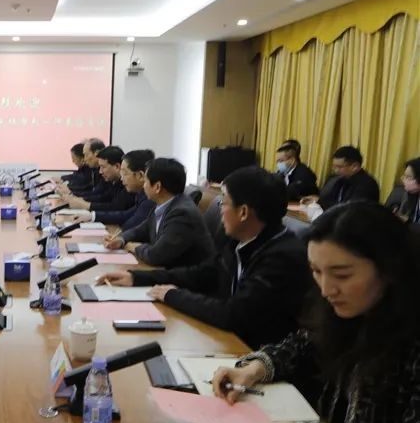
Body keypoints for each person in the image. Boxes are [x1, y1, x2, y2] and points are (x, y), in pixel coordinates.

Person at [212, 202, 420, 423]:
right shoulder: (355, 307)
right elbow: (304, 344)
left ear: (389, 269)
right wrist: (255, 368)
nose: (326, 289)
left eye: (342, 275)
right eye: (316, 271)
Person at [99, 167, 309, 349]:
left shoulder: (282, 256)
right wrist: (137, 278)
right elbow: (203, 274)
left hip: (256, 355)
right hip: (232, 342)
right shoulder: (240, 240)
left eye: (224, 202)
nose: (220, 209)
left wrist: (173, 295)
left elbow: (234, 315)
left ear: (243, 212)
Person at [106, 158, 213, 268]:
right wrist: (122, 239)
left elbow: (155, 256)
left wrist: (134, 247)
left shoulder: (182, 214)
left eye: (146, 181)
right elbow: (142, 229)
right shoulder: (164, 204)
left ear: (157, 187)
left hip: (185, 275)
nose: (143, 185)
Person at [76, 149, 156, 230]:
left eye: (125, 173)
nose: (122, 178)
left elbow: (130, 223)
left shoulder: (150, 199)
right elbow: (127, 215)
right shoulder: (141, 195)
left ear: (140, 175)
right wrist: (92, 216)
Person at [65, 146, 135, 212]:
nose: (100, 172)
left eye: (103, 167)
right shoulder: (113, 181)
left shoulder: (129, 184)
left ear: (117, 166)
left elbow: (116, 207)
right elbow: (104, 197)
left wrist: (86, 205)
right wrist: (79, 199)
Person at [397, 157, 419, 225]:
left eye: (408, 177)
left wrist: (408, 223)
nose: (403, 179)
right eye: (404, 176)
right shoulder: (410, 194)